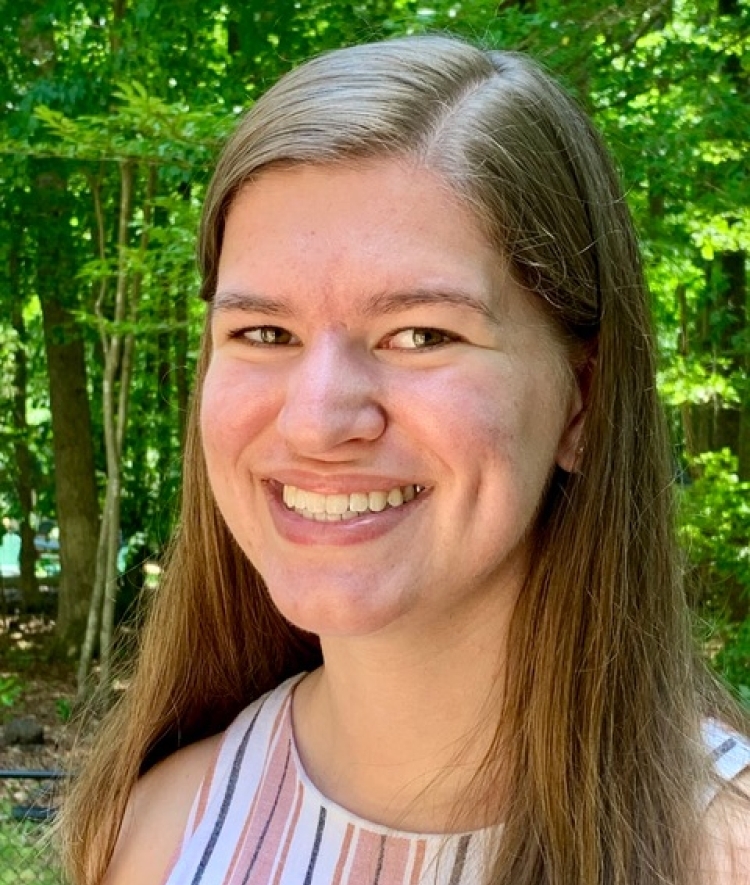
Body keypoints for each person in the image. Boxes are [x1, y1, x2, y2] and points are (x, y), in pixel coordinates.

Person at [59, 34, 750, 885]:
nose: (317, 421)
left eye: (421, 334)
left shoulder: (726, 853)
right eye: (264, 332)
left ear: (583, 400)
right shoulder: (154, 839)